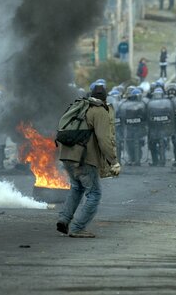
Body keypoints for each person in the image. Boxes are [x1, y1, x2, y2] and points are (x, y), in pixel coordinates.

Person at [57, 79, 120, 238]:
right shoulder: (99, 111)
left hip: (66, 156)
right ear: (105, 98)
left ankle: (64, 220)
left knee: (77, 188)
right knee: (94, 194)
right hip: (83, 159)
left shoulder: (79, 106)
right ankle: (78, 228)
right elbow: (104, 140)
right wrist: (114, 161)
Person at [119, 88, 147, 166]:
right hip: (130, 127)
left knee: (137, 143)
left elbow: (145, 116)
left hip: (138, 128)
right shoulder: (127, 104)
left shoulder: (142, 104)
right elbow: (123, 115)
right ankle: (132, 159)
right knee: (130, 143)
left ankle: (137, 160)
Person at [147, 87, 174, 166]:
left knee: (161, 142)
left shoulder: (167, 103)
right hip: (154, 127)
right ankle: (155, 161)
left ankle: (162, 161)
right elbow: (147, 114)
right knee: (152, 143)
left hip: (162, 126)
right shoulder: (150, 103)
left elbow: (171, 114)